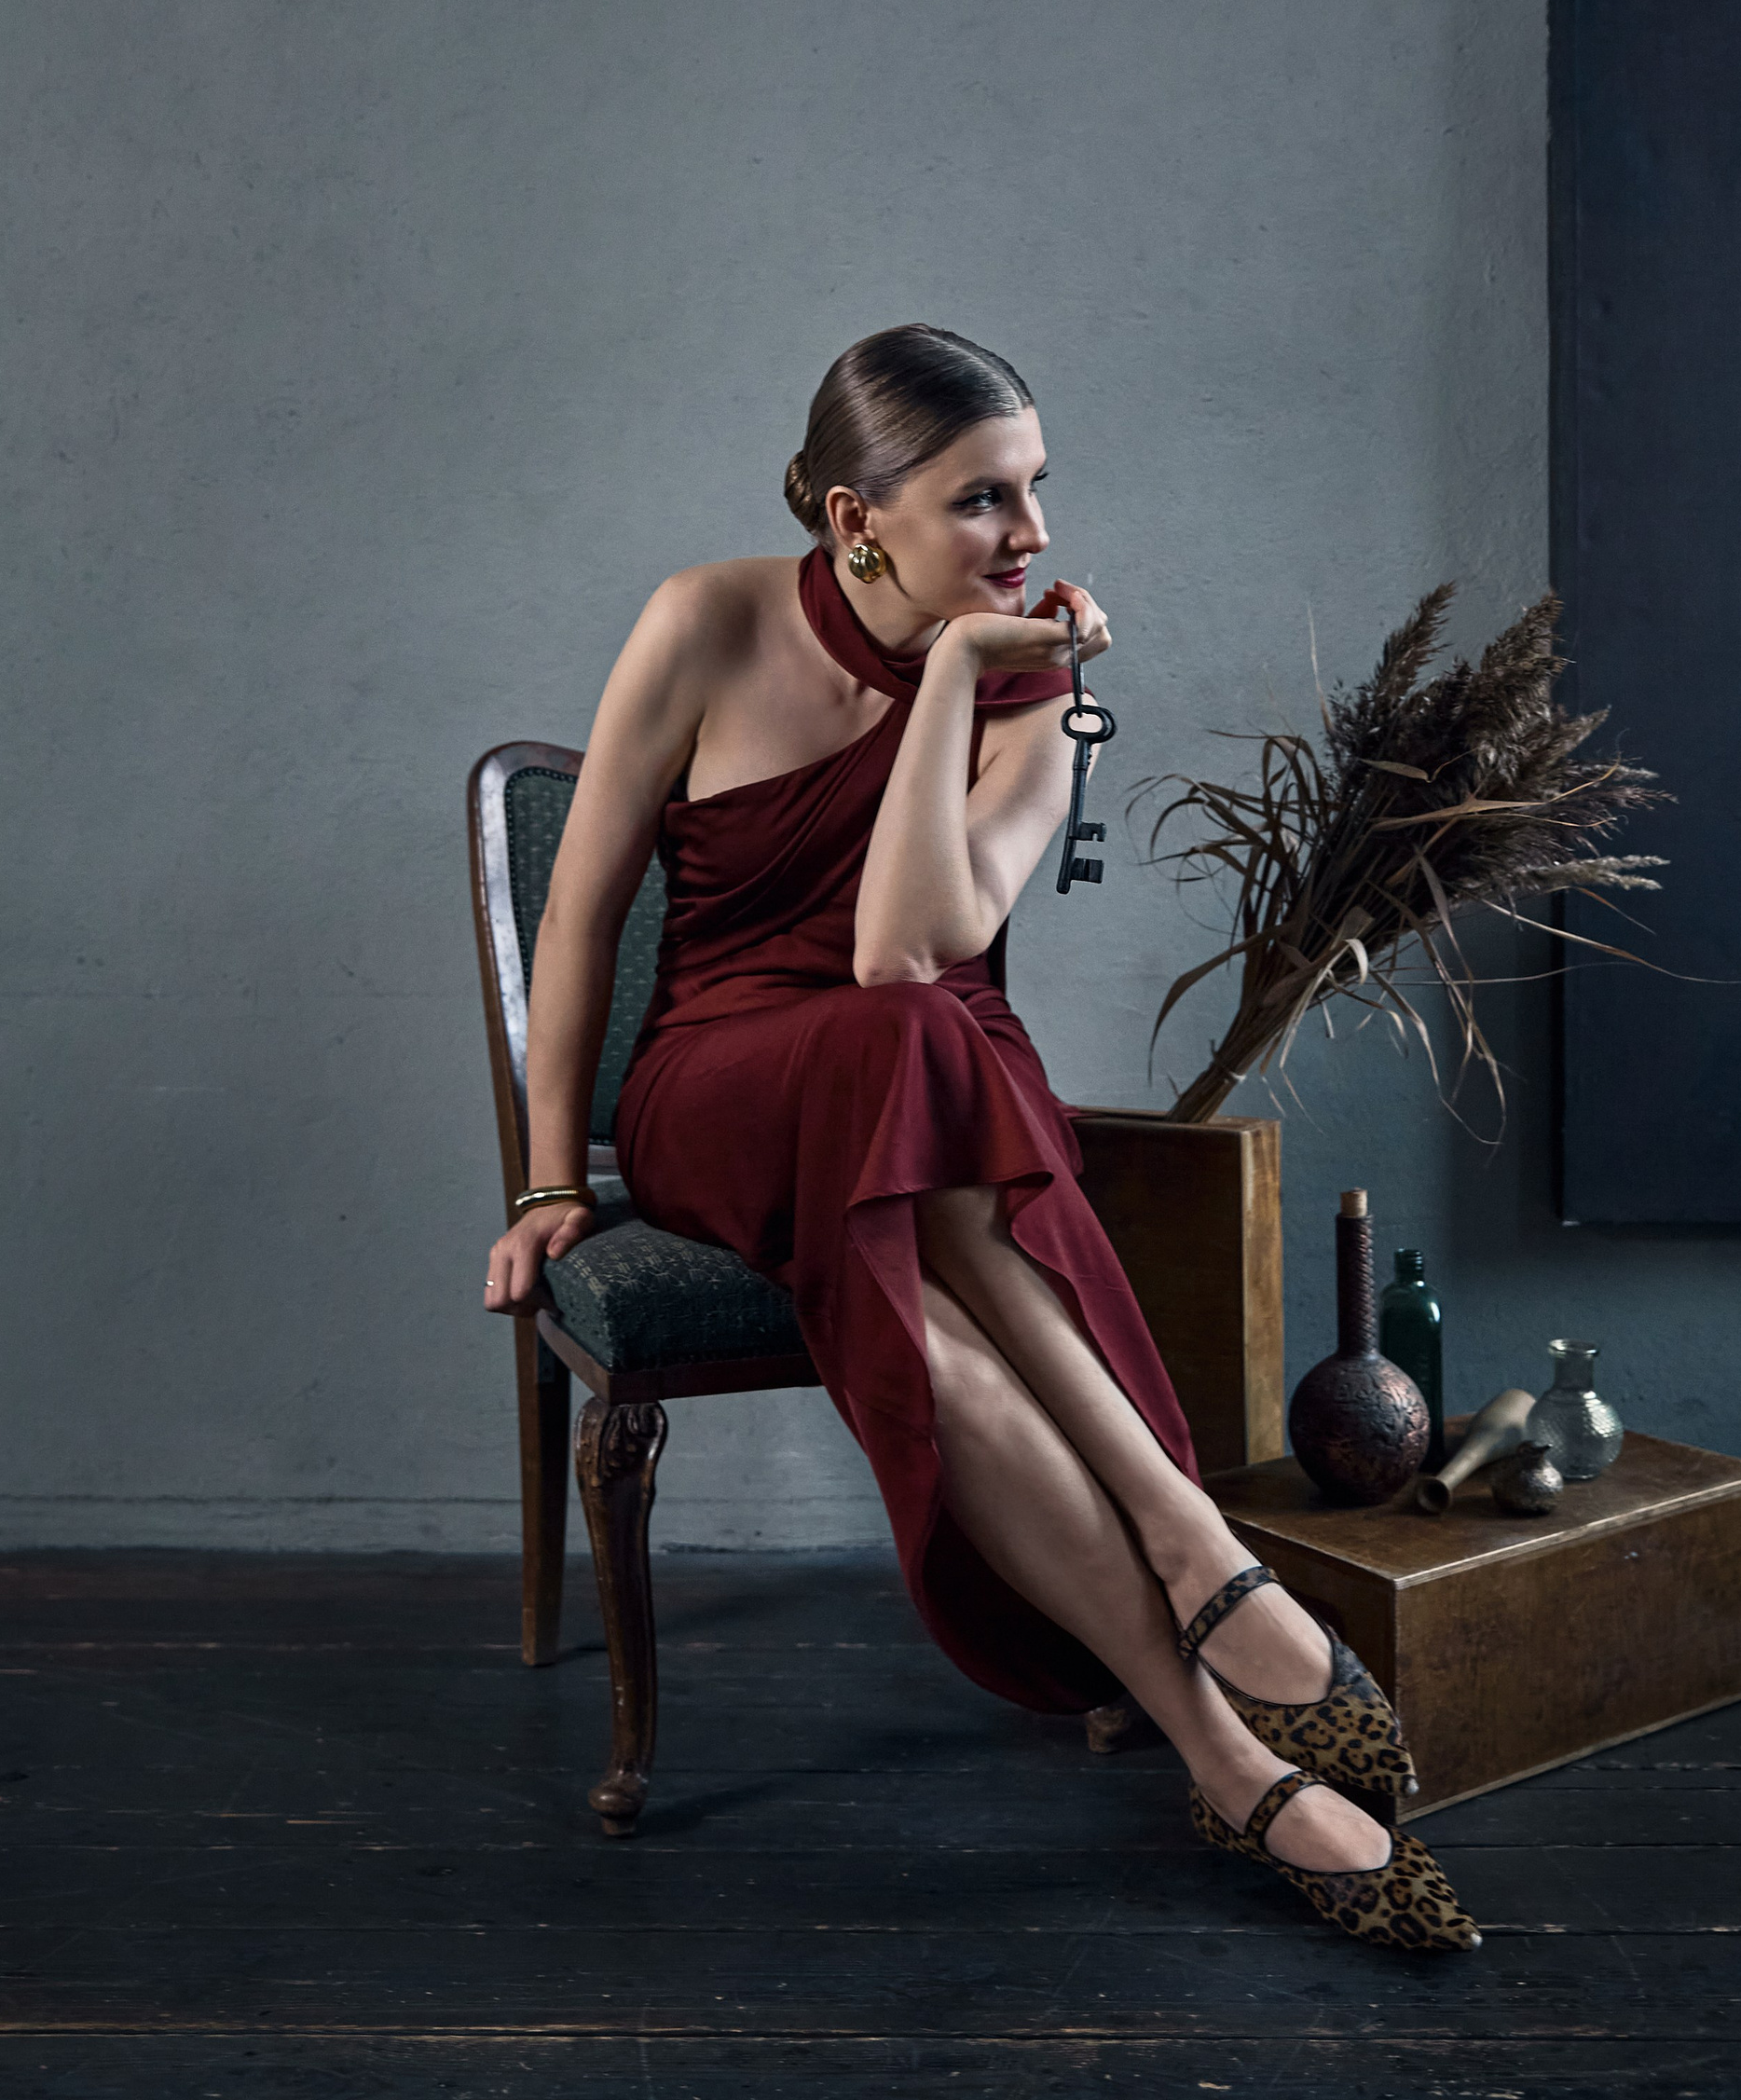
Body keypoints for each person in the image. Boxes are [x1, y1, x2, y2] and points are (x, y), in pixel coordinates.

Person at [485, 324, 1478, 1953]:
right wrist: (546, 1176)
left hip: (930, 1092)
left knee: (922, 1261)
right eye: (983, 500)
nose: (1033, 536)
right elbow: (584, 922)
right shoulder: (705, 621)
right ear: (853, 517)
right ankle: (1197, 1549)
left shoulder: (1040, 686)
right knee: (909, 1044)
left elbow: (912, 946)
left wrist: (969, 681)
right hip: (722, 1090)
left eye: (1036, 490)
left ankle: (1223, 1758)